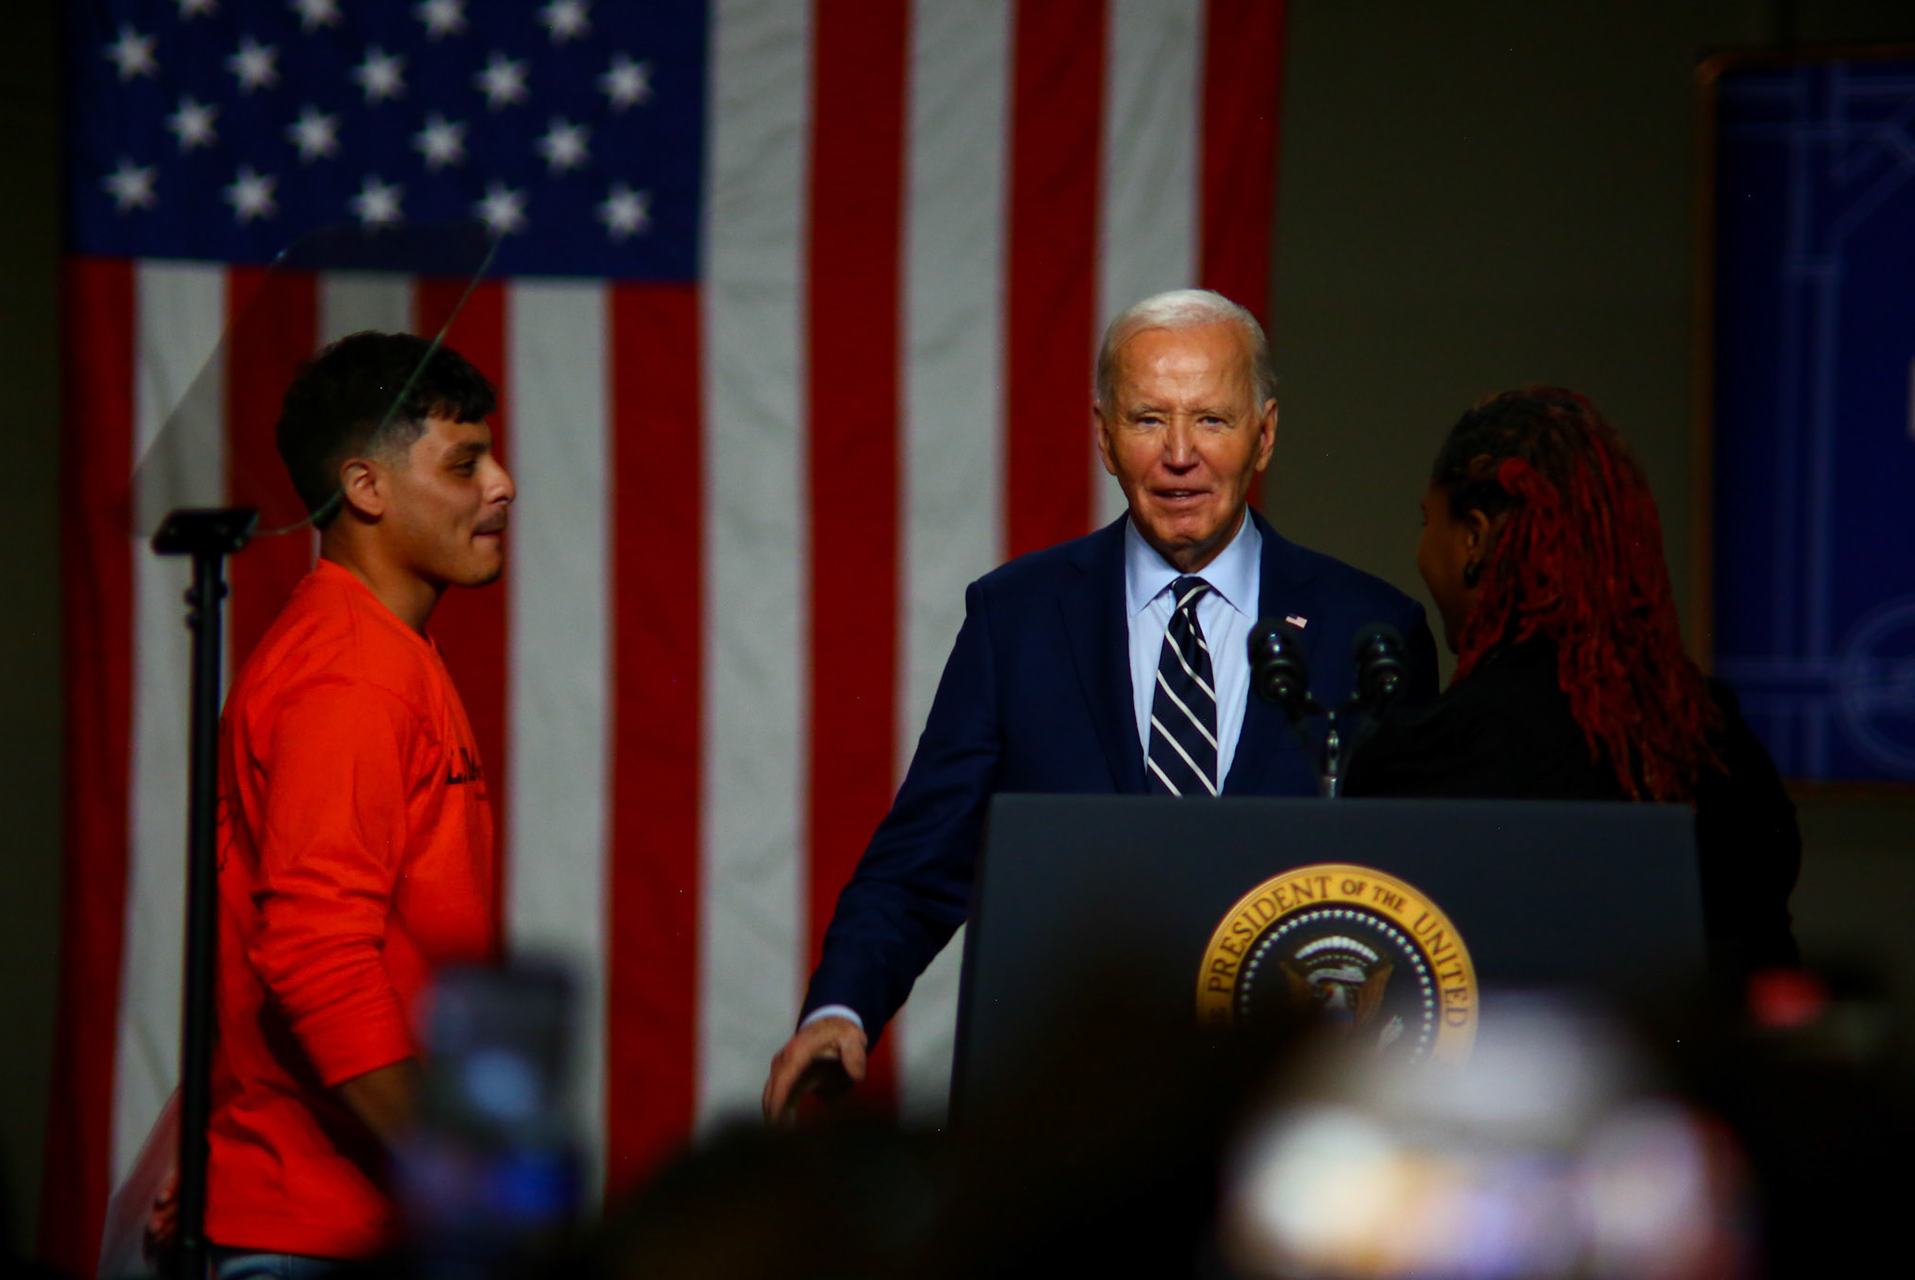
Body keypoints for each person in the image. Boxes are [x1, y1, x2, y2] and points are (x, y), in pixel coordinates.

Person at [762, 290, 1440, 1121]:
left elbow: (1415, 895)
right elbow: (920, 862)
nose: (1180, 455)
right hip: (1064, 1116)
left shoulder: (1367, 630)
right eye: (1149, 419)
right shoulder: (1017, 617)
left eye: (1213, 422)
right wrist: (842, 1010)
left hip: (1289, 1116)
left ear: (1265, 434)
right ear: (1102, 435)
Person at [201, 332, 514, 1273]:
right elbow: (315, 953)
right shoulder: (352, 672)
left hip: (349, 1219)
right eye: (464, 463)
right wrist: (470, 1188)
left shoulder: (377, 651)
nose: (500, 484)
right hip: (322, 1237)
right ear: (367, 488)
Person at [1344, 386, 1799, 982]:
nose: (1422, 550)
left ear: (1474, 537)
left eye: (1428, 523)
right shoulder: (1716, 741)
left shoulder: (1432, 754)